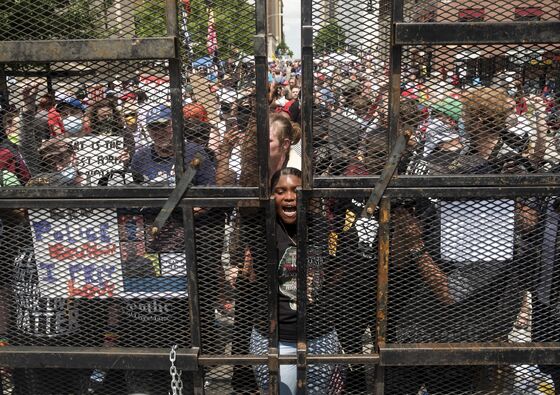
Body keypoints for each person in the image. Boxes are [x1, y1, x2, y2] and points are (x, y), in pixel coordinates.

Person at [386, 87, 539, 393]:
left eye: (467, 115)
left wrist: (496, 210)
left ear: (479, 117)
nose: (463, 121)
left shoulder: (507, 160)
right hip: (450, 253)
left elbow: (528, 220)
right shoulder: (467, 155)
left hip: (482, 266)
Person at [247, 168, 342, 394]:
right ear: (270, 196)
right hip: (273, 339)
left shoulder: (322, 227)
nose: (289, 197)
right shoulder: (263, 228)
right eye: (281, 191)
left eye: (296, 190)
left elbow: (337, 272)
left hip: (319, 335)